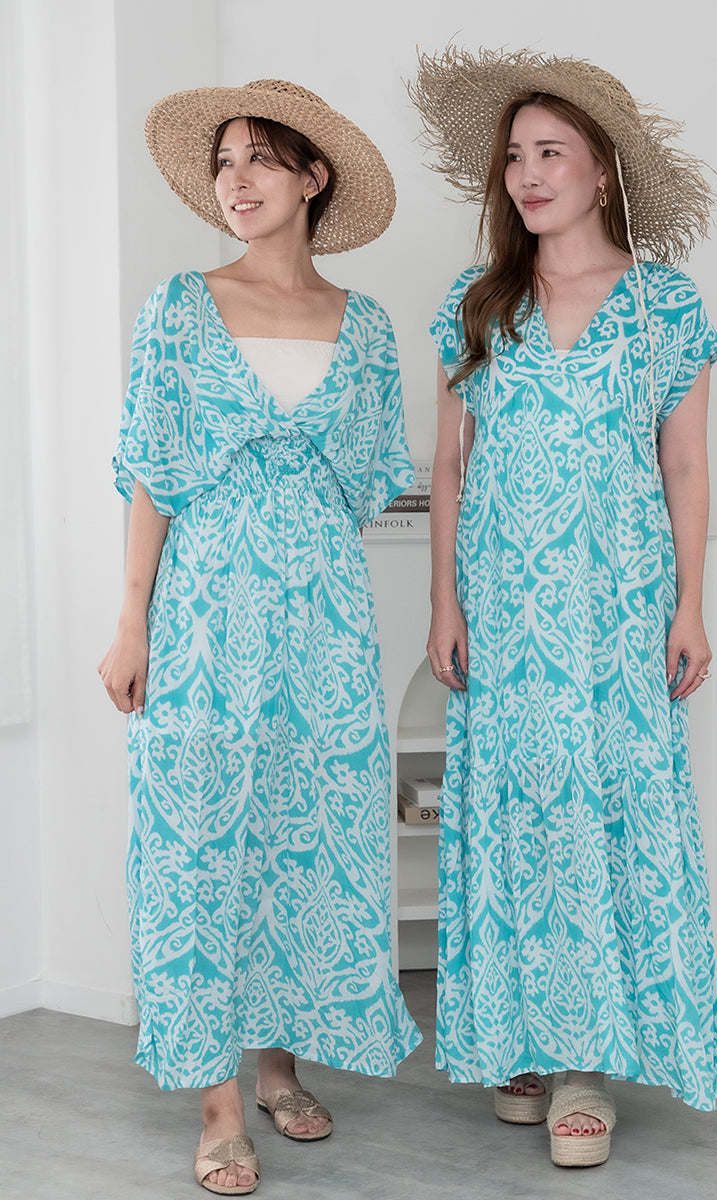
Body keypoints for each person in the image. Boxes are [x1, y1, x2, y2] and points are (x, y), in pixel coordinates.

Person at [98, 79, 420, 1195]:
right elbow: (150, 471)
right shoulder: (180, 308)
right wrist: (131, 621)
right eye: (225, 162)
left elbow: (369, 480)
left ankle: (280, 1065)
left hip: (325, 617)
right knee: (199, 839)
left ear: (312, 178)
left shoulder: (366, 325)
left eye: (261, 160)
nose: (235, 181)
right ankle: (218, 1102)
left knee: (307, 831)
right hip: (201, 608)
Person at [411, 47, 717, 1168]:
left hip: (615, 605)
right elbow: (449, 465)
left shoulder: (664, 306)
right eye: (515, 157)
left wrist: (689, 606)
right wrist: (443, 599)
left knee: (603, 809)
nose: (529, 175)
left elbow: (684, 465)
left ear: (603, 172)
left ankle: (586, 1060)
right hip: (503, 607)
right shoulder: (478, 302)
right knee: (516, 810)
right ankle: (522, 1040)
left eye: (553, 153)